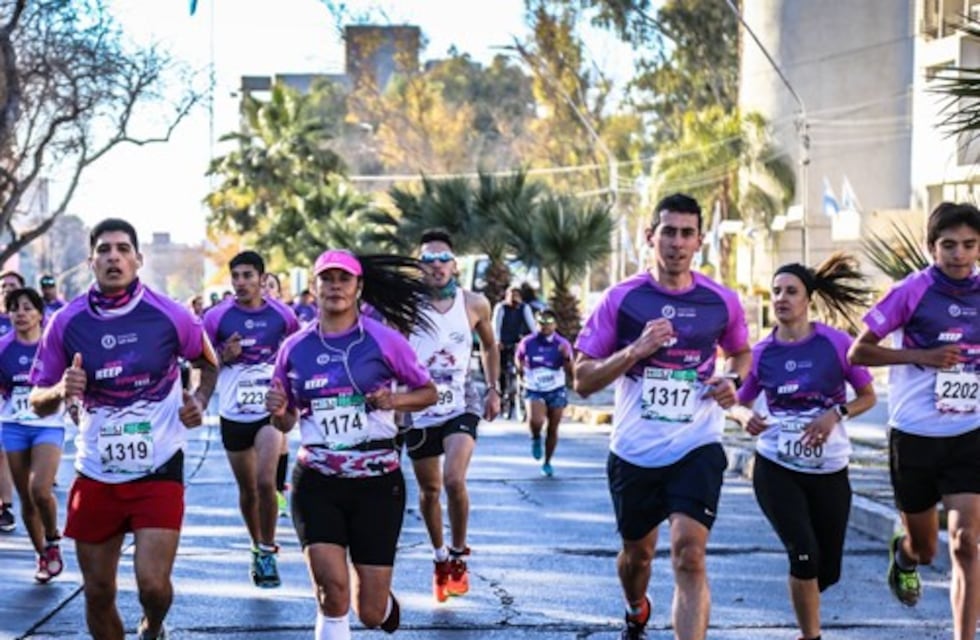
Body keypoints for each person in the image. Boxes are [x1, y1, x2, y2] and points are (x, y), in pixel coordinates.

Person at [28, 217, 217, 640]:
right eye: (104, 250)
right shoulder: (66, 322)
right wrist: (61, 389)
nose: (114, 257)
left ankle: (154, 623)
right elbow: (36, 402)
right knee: (97, 593)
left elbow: (207, 362)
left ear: (138, 258)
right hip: (96, 471)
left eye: (122, 249)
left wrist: (199, 400)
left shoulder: (170, 315)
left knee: (153, 585)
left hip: (159, 466)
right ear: (91, 261)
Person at [573, 193, 751, 640]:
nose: (676, 242)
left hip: (698, 443)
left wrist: (733, 379)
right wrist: (636, 350)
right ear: (651, 236)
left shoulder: (720, 301)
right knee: (638, 555)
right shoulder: (622, 299)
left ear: (700, 241)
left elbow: (742, 355)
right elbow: (582, 379)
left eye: (686, 233)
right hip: (635, 449)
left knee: (689, 554)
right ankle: (636, 606)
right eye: (668, 232)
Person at [266, 249, 437, 639]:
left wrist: (395, 400)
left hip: (377, 481)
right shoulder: (294, 348)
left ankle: (385, 605)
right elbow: (287, 419)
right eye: (327, 279)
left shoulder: (385, 341)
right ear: (314, 287)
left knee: (371, 613)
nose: (335, 287)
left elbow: (428, 392)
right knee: (332, 592)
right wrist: (278, 411)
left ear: (359, 288)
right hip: (317, 481)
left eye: (344, 279)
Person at [848, 201, 980, 640]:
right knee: (926, 548)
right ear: (931, 247)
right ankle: (904, 556)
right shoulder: (912, 290)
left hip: (968, 433)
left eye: (968, 245)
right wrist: (920, 356)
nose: (958, 255)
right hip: (915, 435)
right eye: (948, 245)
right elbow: (858, 351)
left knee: (965, 543)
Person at [735, 253, 876, 640]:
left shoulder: (835, 343)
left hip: (830, 471)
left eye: (790, 291)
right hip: (776, 468)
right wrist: (742, 417)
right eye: (776, 291)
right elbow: (738, 402)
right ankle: (810, 636)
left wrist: (836, 413)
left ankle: (808, 600)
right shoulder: (762, 353)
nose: (781, 298)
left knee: (826, 571)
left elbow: (868, 396)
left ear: (807, 299)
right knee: (803, 553)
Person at [407, 228, 501, 603]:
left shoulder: (475, 303)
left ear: (455, 265)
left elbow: (491, 347)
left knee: (453, 479)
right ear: (420, 267)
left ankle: (460, 553)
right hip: (418, 405)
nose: (437, 267)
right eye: (428, 261)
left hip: (461, 401)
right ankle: (439, 556)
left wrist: (494, 389)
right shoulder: (408, 305)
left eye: (443, 259)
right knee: (429, 490)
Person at [203, 250, 299, 588]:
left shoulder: (283, 316)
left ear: (262, 278)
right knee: (247, 489)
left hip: (266, 412)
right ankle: (254, 543)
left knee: (265, 482)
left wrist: (291, 396)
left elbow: (296, 354)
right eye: (236, 277)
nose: (241, 282)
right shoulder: (217, 318)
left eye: (247, 275)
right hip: (233, 413)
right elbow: (201, 361)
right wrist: (223, 356)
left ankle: (267, 549)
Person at [0, 287, 68, 581]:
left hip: (48, 425)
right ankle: (42, 556)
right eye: (15, 309)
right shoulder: (2, 348)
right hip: (13, 426)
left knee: (40, 489)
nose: (21, 314)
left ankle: (52, 538)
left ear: (40, 314)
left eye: (28, 308)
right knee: (25, 500)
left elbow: (69, 381)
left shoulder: (52, 346)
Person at [515, 308, 573, 477]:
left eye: (548, 324)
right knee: (536, 421)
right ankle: (535, 437)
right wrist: (520, 370)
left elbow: (571, 370)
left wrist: (566, 358)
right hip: (534, 388)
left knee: (553, 428)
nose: (544, 327)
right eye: (541, 323)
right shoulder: (528, 342)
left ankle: (547, 462)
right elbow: (518, 357)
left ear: (555, 325)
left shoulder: (562, 344)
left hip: (556, 388)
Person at [260, 270, 292, 514]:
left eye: (271, 286)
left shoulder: (285, 317)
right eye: (263, 285)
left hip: (280, 387)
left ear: (279, 292)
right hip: (249, 396)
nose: (266, 290)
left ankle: (278, 490)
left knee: (282, 440)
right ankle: (267, 491)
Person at [0, 269, 24, 531]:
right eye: (3, 285)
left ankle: (5, 506)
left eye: (12, 285)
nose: (7, 288)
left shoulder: (29, 318)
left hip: (18, 394)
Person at [492, 286, 535, 418]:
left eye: (515, 295)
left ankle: (522, 389)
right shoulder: (501, 308)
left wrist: (535, 339)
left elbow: (532, 325)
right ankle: (502, 392)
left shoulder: (525, 308)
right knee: (502, 370)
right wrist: (497, 341)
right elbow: (495, 325)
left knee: (523, 367)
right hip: (504, 342)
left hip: (519, 341)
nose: (513, 298)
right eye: (510, 295)